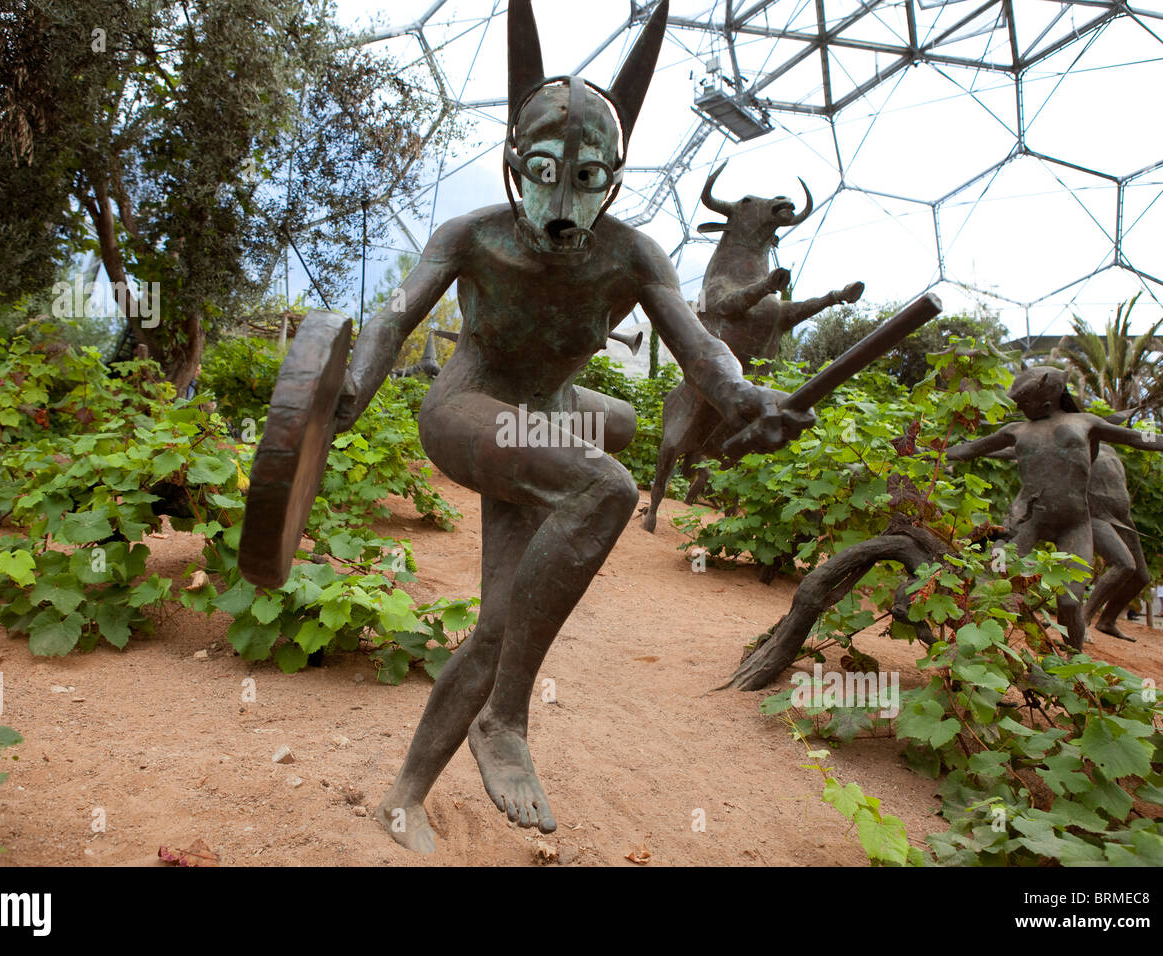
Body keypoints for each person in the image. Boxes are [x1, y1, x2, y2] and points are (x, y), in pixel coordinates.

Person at [330, 0, 814, 853]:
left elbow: (701, 349)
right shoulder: (472, 236)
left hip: (544, 417)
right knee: (603, 484)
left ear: (614, 180)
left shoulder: (632, 254)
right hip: (467, 410)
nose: (560, 206)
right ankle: (506, 718)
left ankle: (406, 795)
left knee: (509, 602)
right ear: (517, 164)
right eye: (546, 172)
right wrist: (351, 391)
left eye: (585, 180)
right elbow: (392, 321)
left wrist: (742, 399)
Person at [946, 366, 1163, 650]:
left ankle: (1074, 662)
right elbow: (970, 449)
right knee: (995, 574)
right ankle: (973, 645)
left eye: (1024, 403)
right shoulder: (1016, 431)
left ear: (1047, 400)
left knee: (1068, 601)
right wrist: (928, 451)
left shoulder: (1085, 422)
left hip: (1075, 525)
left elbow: (1138, 438)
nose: (1020, 409)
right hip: (1030, 521)